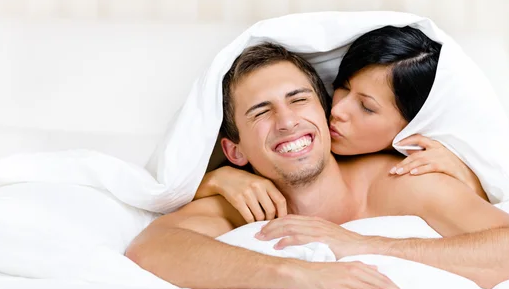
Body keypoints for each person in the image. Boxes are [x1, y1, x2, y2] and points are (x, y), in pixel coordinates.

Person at [126, 42, 509, 289]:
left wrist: (358, 244)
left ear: (322, 110)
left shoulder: (403, 177)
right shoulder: (243, 205)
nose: (288, 120)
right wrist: (294, 273)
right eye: (261, 111)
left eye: (299, 99)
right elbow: (151, 248)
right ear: (234, 150)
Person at [195, 26, 487, 224]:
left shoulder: (423, 168)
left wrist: (469, 178)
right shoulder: (278, 150)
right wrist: (217, 179)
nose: (336, 110)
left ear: (411, 128)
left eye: (367, 107)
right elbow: (171, 188)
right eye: (342, 88)